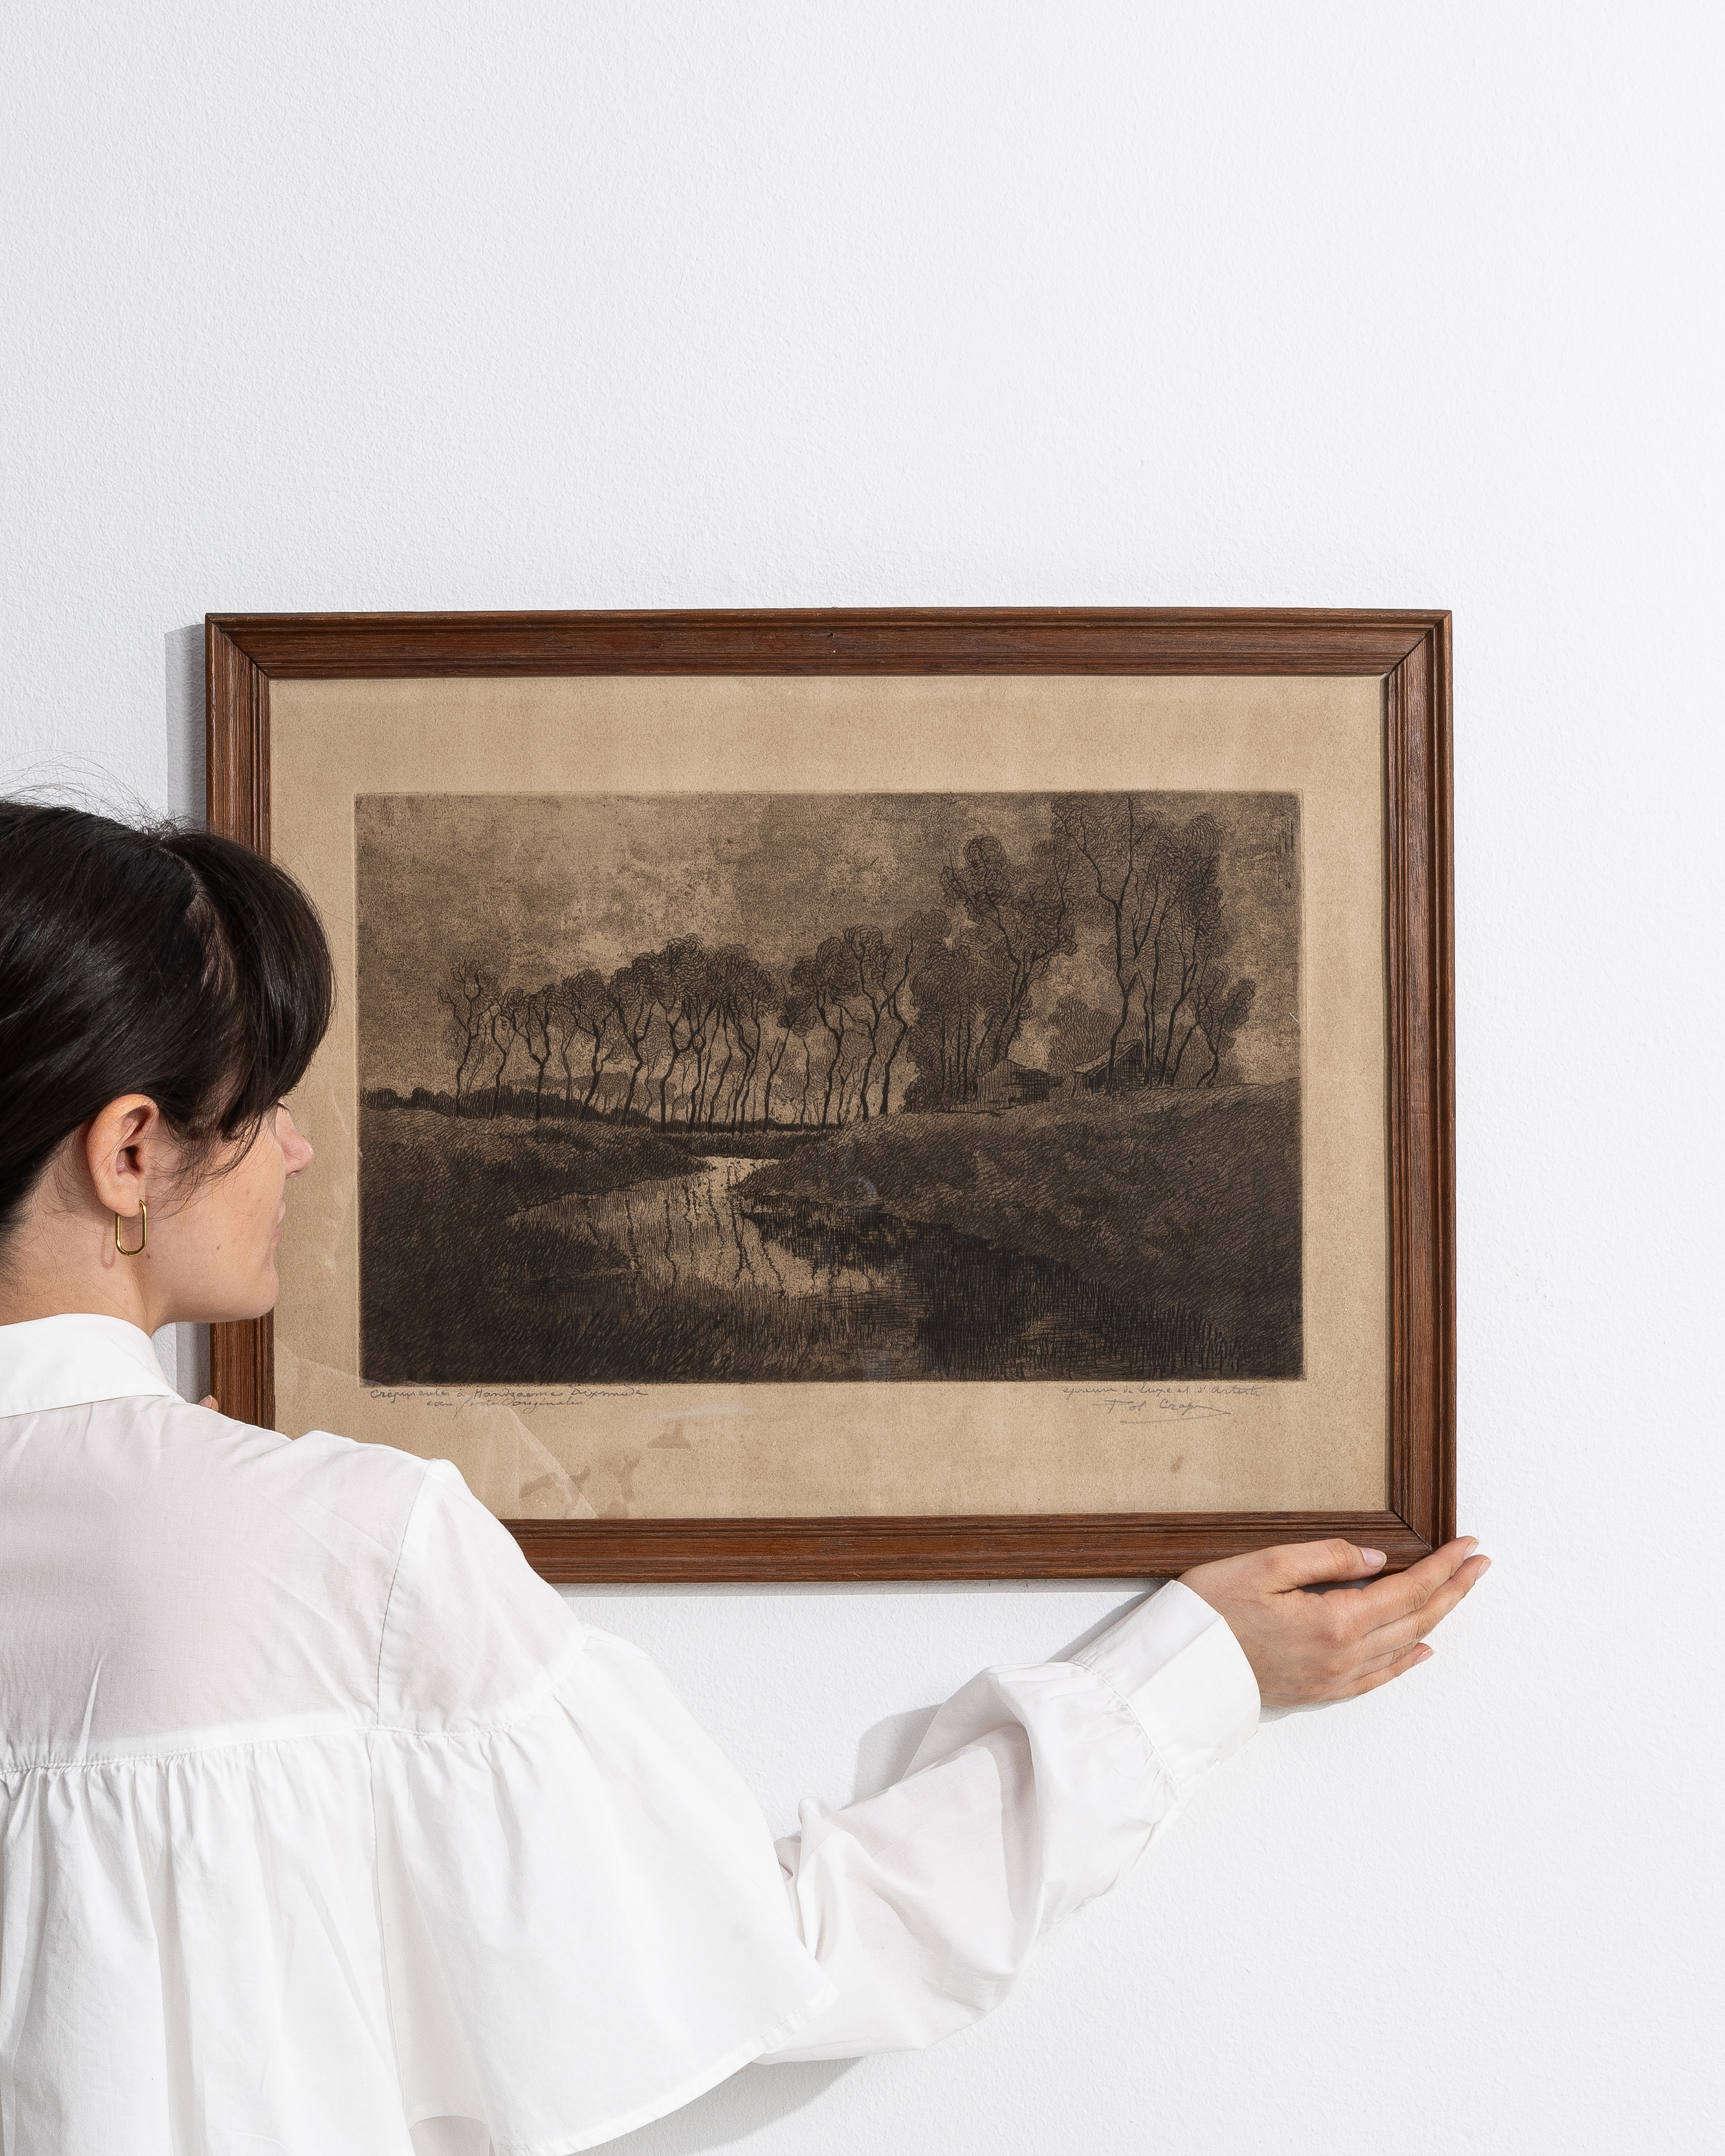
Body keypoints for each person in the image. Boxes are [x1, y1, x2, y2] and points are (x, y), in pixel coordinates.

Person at [0, 802, 1486, 2155]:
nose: (303, 1148)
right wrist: (1188, 1679)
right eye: (262, 1104)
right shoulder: (348, 1548)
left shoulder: (299, 1539)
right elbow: (776, 1952)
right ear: (131, 1150)